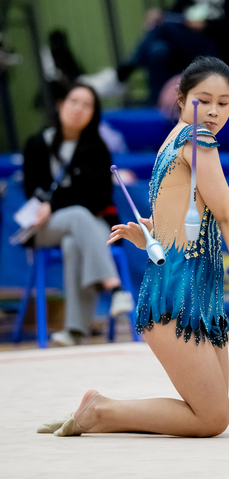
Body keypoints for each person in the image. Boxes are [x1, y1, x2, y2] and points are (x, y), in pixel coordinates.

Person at [37, 56, 229, 437]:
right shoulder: (198, 140)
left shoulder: (174, 140)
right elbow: (228, 218)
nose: (213, 112)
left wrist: (148, 234)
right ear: (180, 99)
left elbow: (174, 216)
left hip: (196, 291)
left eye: (224, 102)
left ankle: (102, 410)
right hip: (176, 294)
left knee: (213, 409)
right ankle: (102, 411)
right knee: (213, 418)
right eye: (203, 100)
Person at [23, 83, 134, 347]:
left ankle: (74, 330)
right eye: (74, 102)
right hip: (46, 225)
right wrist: (54, 206)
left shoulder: (97, 149)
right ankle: (115, 288)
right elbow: (32, 190)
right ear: (61, 104)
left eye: (87, 105)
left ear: (93, 114)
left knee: (74, 242)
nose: (78, 109)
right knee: (78, 215)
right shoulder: (37, 144)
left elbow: (97, 198)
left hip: (89, 222)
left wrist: (55, 203)